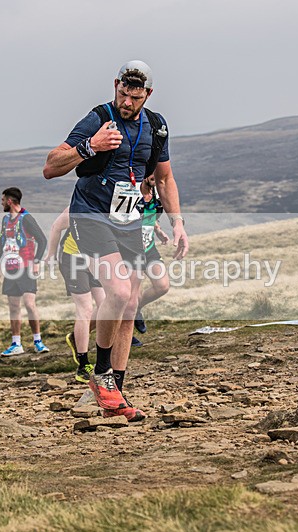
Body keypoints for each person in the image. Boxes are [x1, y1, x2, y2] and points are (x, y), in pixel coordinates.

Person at [43, 61, 189, 422]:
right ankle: (101, 374)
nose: (127, 102)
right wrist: (89, 147)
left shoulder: (156, 127)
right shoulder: (98, 118)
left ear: (147, 95)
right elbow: (50, 166)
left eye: (135, 97)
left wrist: (178, 222)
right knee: (120, 292)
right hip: (90, 214)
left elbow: (165, 178)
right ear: (115, 86)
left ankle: (115, 394)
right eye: (123, 93)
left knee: (131, 302)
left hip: (129, 219)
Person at [46, 207, 105, 383]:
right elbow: (56, 227)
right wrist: (51, 255)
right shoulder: (78, 206)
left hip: (95, 259)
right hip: (73, 258)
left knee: (106, 307)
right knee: (85, 309)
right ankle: (83, 364)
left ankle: (76, 336)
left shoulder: (112, 204)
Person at [0, 187, 50, 356]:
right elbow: (1, 241)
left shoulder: (26, 219)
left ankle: (38, 341)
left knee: (29, 304)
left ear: (10, 201)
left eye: (3, 200)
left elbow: (42, 240)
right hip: (10, 269)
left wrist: (37, 261)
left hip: (26, 267)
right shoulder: (5, 220)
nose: (1, 203)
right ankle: (16, 343)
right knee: (13, 307)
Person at [132, 174, 171, 346]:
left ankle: (136, 309)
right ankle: (123, 336)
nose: (156, 175)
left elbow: (151, 216)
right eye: (151, 172)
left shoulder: (155, 193)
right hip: (130, 249)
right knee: (130, 295)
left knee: (162, 285)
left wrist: (158, 230)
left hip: (149, 247)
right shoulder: (132, 192)